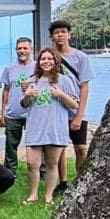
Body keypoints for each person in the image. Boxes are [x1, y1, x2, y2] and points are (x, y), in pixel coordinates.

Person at [21, 48, 79, 205]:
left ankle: (49, 195)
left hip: (55, 128)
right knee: (32, 163)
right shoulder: (32, 80)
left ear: (55, 62)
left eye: (50, 59)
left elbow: (74, 104)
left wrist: (60, 94)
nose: (46, 61)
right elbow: (25, 105)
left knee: (52, 163)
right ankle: (33, 194)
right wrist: (27, 95)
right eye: (43, 59)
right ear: (39, 62)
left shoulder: (64, 80)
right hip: (35, 128)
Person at [49, 20, 94, 196]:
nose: (60, 35)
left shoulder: (80, 57)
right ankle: (63, 182)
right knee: (59, 149)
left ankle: (80, 180)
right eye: (56, 32)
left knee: (80, 147)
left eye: (63, 32)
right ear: (51, 37)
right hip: (57, 110)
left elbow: (85, 86)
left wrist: (79, 115)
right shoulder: (50, 57)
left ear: (69, 34)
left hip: (75, 110)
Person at [0, 37, 35, 175]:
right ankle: (10, 172)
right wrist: (3, 112)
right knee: (11, 145)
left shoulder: (38, 67)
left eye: (25, 48)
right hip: (13, 112)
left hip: (33, 112)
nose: (22, 51)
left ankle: (41, 171)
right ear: (16, 50)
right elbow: (6, 90)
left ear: (31, 49)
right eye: (19, 48)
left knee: (36, 144)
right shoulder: (9, 68)